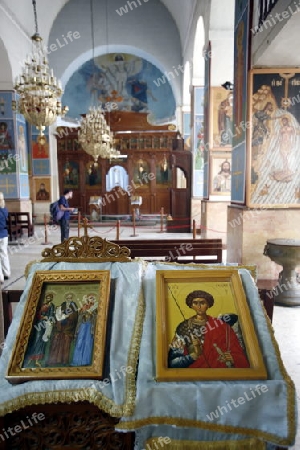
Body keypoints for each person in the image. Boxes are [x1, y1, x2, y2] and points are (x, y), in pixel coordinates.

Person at [168, 290, 249, 369]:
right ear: (191, 305)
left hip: (220, 371)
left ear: (208, 305)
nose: (199, 306)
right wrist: (194, 355)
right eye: (195, 303)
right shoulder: (183, 327)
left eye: (202, 303)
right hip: (195, 373)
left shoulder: (222, 325)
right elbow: (173, 363)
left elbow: (237, 352)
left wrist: (233, 358)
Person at [23, 292, 56, 368]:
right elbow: (38, 313)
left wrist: (46, 317)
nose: (48, 299)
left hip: (44, 325)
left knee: (41, 340)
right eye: (47, 298)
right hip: (39, 323)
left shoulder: (52, 306)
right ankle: (31, 358)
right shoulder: (43, 305)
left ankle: (37, 359)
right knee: (35, 340)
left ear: (51, 298)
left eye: (49, 298)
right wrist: (40, 316)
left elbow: (51, 316)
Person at [46, 292, 78, 366]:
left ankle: (64, 361)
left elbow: (75, 316)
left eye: (70, 298)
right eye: (67, 298)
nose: (68, 299)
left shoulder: (74, 305)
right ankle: (52, 360)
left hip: (68, 328)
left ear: (72, 298)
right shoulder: (63, 304)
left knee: (66, 344)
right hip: (60, 327)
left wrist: (68, 317)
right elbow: (58, 314)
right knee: (55, 341)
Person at [71, 293, 98, 366]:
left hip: (90, 326)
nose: (91, 299)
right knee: (80, 341)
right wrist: (84, 313)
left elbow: (96, 316)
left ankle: (85, 361)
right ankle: (76, 361)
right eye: (90, 298)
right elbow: (80, 315)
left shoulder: (95, 307)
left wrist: (92, 314)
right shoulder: (84, 306)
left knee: (87, 342)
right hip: (83, 325)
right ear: (87, 299)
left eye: (93, 298)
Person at [0, 192, 11, 284]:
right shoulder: (4, 210)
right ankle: (7, 273)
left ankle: (0, 278)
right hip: (4, 234)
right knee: (4, 254)